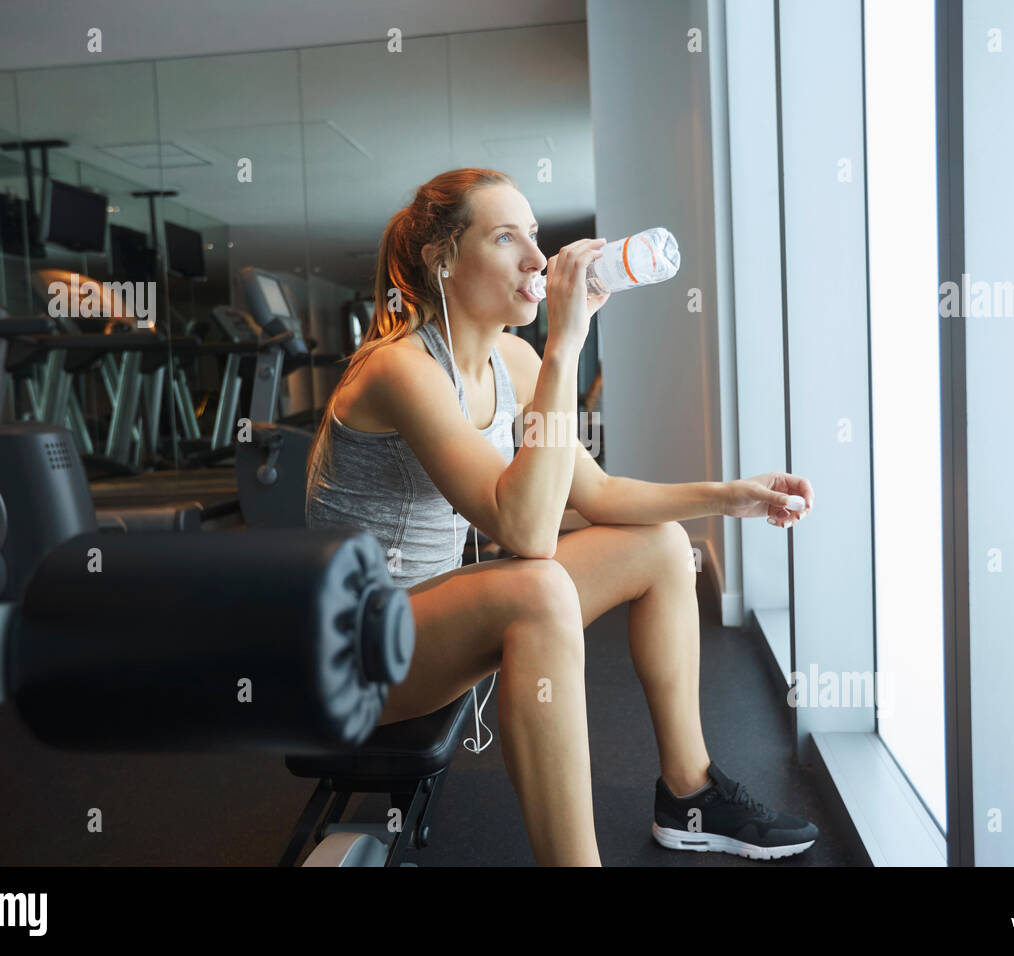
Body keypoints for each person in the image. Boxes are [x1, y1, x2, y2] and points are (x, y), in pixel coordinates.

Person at [306, 168, 818, 866]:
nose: (536, 260)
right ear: (443, 259)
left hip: (433, 624)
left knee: (664, 548)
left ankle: (690, 793)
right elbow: (524, 530)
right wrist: (565, 345)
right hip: (358, 655)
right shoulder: (400, 370)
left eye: (535, 236)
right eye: (506, 237)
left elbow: (598, 493)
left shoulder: (511, 360)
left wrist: (734, 495)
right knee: (537, 587)